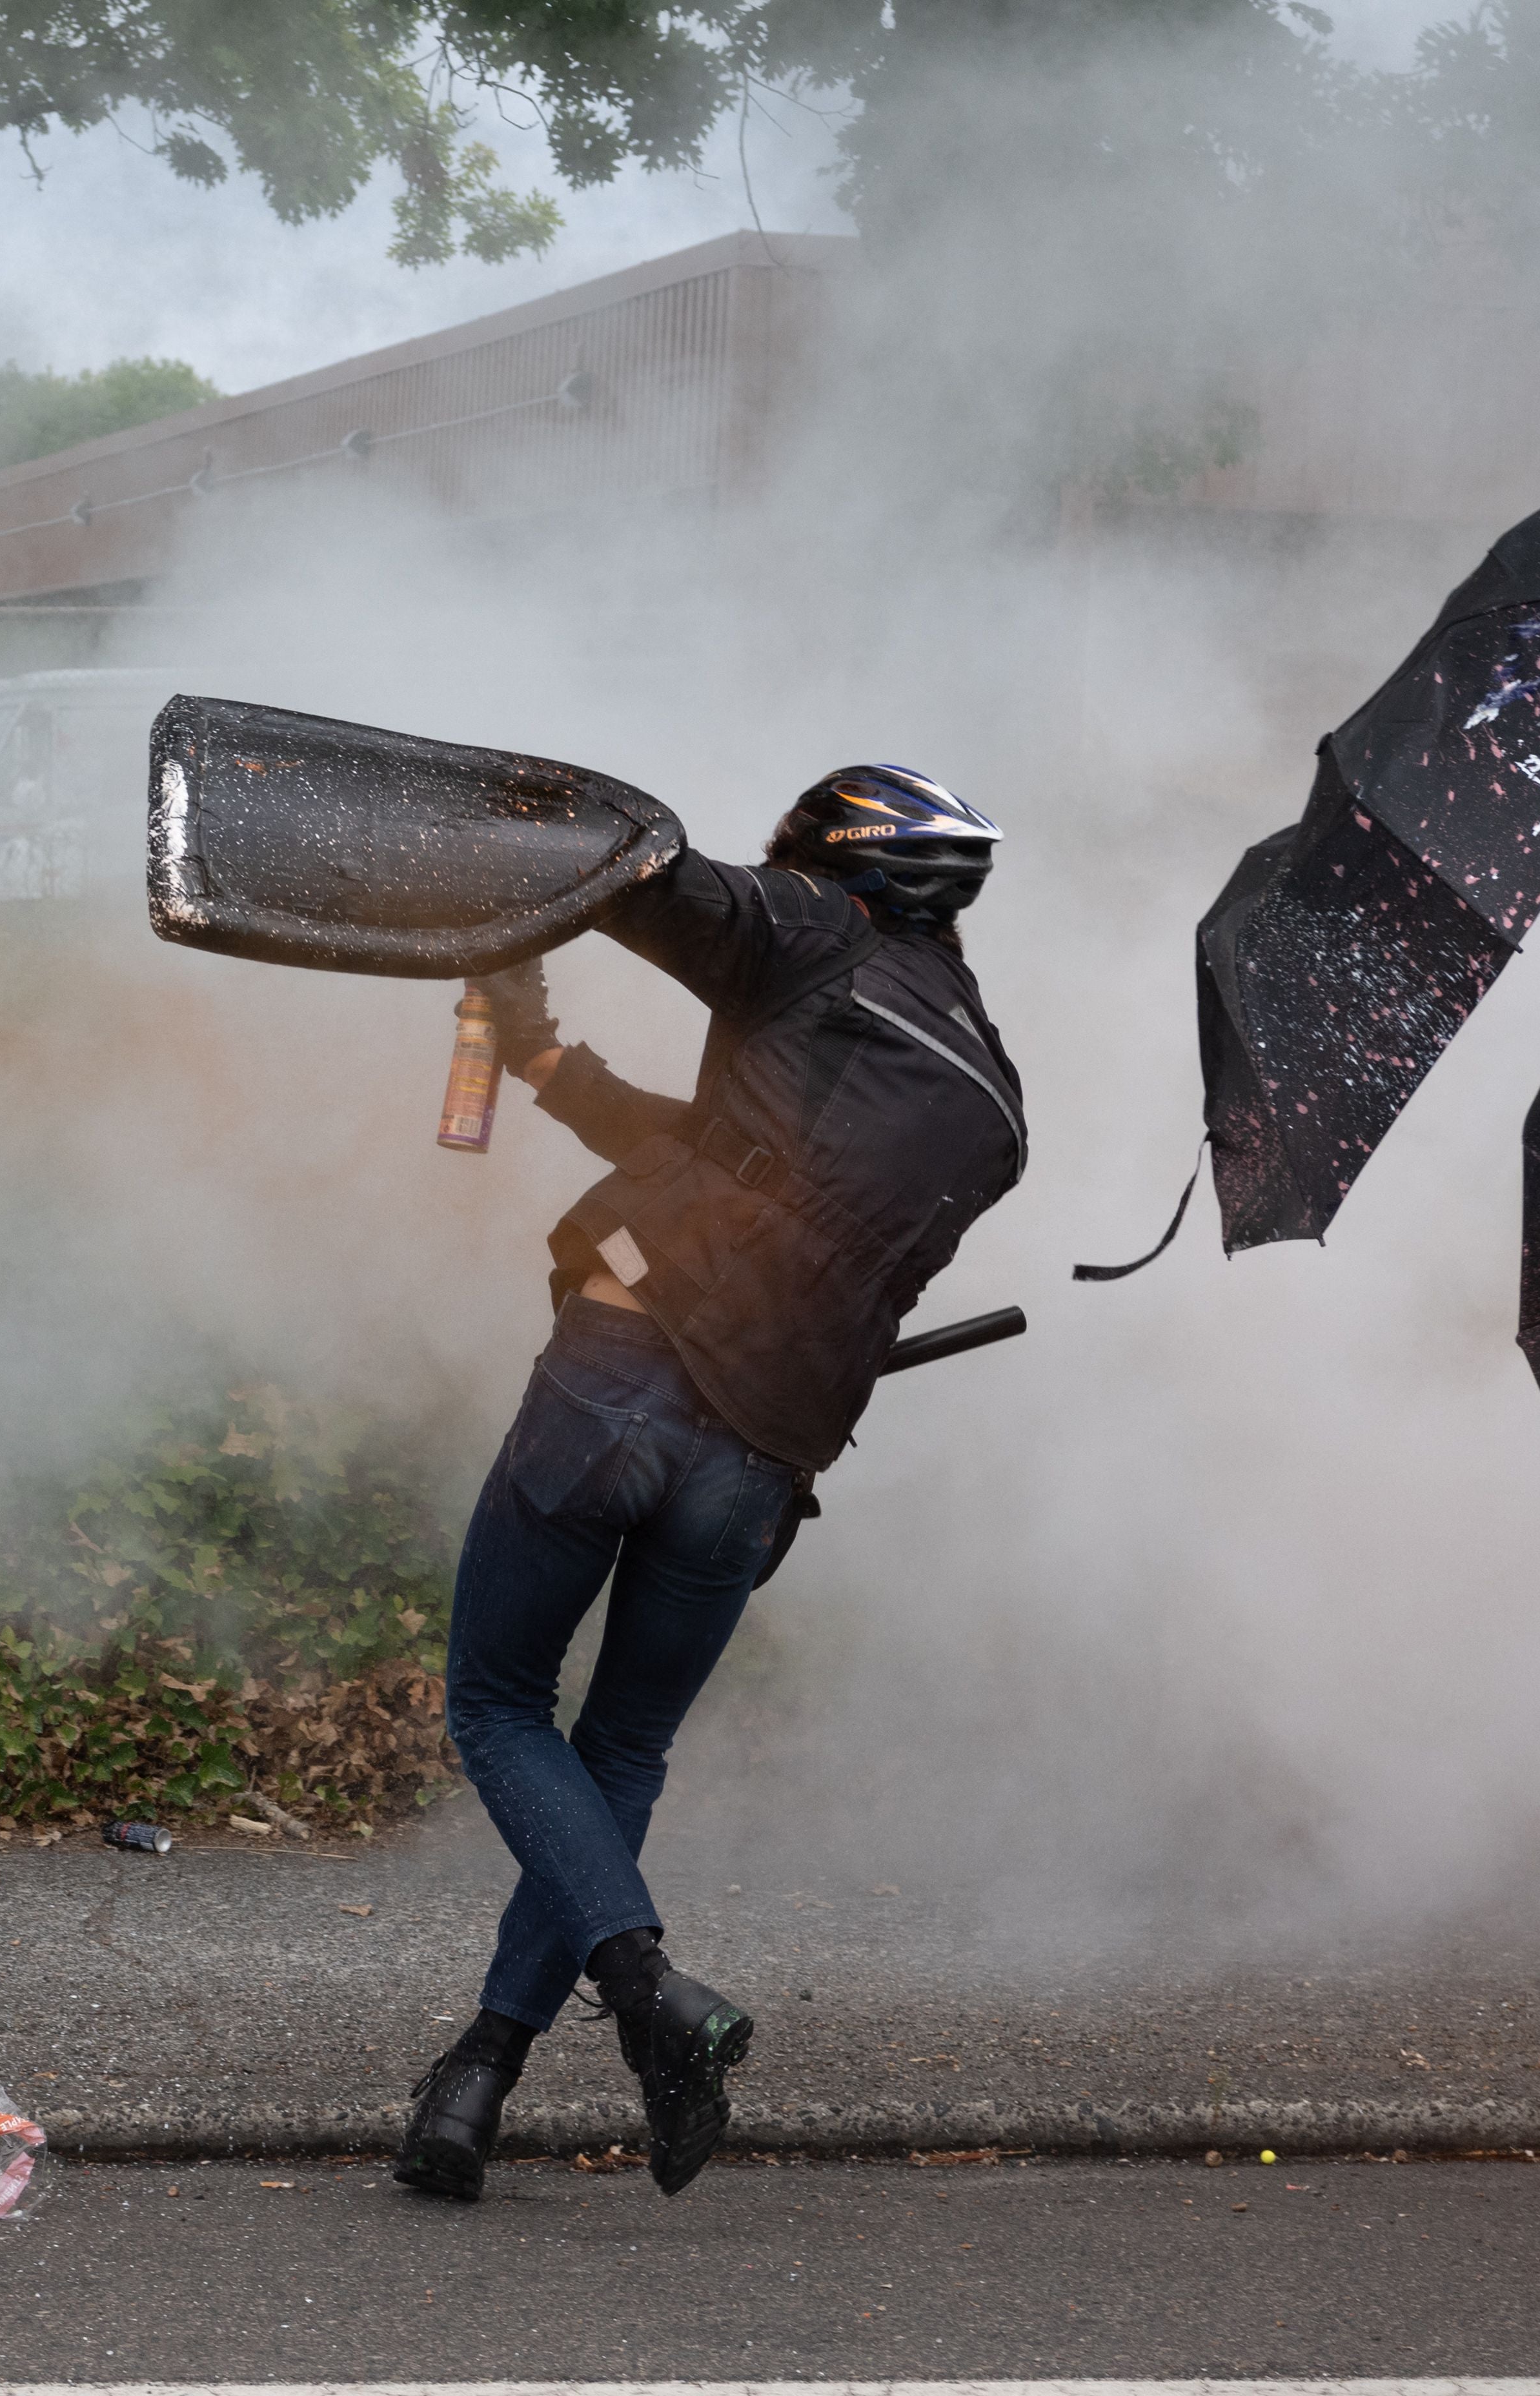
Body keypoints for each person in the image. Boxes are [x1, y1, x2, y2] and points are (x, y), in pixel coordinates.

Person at [394, 766, 1025, 2205]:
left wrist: (510, 845)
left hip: (623, 1372)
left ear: (841, 863)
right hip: (757, 1459)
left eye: (794, 862)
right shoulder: (988, 1099)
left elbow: (631, 877)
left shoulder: (810, 933)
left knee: (497, 1704)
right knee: (618, 1755)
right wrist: (544, 1058)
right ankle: (479, 2076)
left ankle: (650, 1990)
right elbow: (737, 1166)